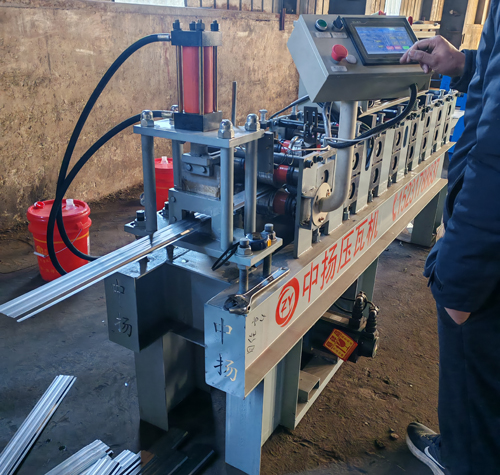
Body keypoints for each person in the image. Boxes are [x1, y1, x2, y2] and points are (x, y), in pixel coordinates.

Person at [398, 5, 500, 474]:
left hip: (487, 235)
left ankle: (463, 458)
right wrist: (467, 64)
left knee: (473, 356)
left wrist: (462, 269)